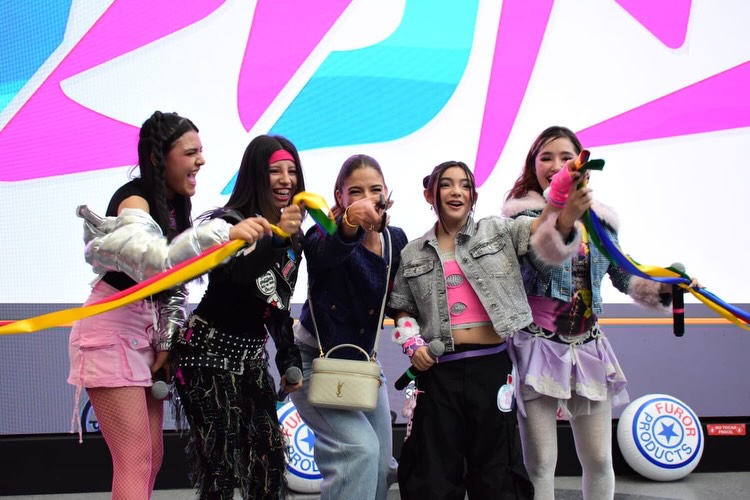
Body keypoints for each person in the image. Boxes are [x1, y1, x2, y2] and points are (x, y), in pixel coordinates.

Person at [68, 111, 270, 500]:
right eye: (191, 152)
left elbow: (173, 285)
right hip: (110, 332)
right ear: (158, 158)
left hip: (142, 331)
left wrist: (165, 341)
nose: (201, 161)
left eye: (201, 151)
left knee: (151, 457)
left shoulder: (174, 205)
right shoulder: (134, 201)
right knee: (135, 460)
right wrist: (224, 232)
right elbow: (156, 263)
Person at [502, 125, 698, 500]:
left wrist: (667, 285)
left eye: (566, 157)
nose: (556, 165)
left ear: (583, 168)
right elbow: (539, 262)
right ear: (533, 166)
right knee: (540, 464)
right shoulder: (520, 220)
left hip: (588, 349)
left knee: (599, 460)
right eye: (546, 157)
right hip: (537, 348)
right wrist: (561, 216)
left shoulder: (601, 223)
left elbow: (625, 276)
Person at [387, 160, 592, 500]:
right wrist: (413, 345)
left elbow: (540, 229)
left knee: (497, 475)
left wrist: (559, 200)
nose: (456, 192)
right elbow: (402, 308)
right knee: (434, 475)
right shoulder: (412, 253)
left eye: (465, 185)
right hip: (438, 375)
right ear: (429, 194)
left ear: (473, 195)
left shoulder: (498, 230)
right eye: (446, 184)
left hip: (492, 369)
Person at [170, 134, 306, 499]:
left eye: (292, 171)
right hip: (204, 357)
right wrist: (277, 239)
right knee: (223, 472)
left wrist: (288, 358)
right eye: (275, 171)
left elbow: (277, 303)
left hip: (250, 361)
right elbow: (240, 279)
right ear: (256, 175)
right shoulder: (228, 224)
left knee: (269, 468)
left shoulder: (293, 239)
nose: (286, 180)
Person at [289, 154, 408, 500]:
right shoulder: (321, 233)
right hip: (315, 362)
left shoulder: (395, 239)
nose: (367, 198)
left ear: (386, 193)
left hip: (364, 366)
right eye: (355, 191)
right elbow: (325, 254)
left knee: (382, 466)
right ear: (339, 196)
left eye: (375, 189)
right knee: (359, 450)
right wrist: (349, 224)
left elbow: (401, 300)